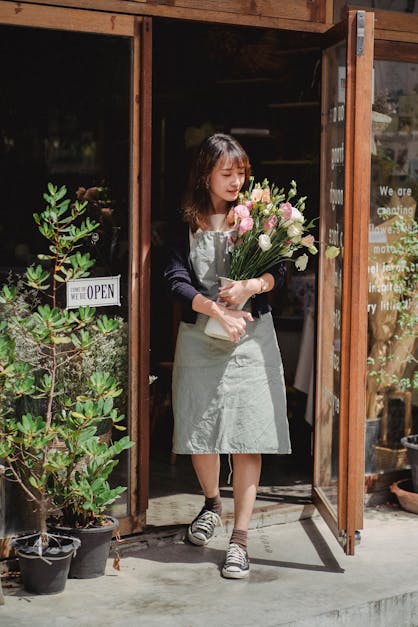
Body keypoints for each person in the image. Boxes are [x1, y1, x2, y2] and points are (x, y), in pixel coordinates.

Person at [164, 133, 291, 579]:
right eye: (227, 173)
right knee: (202, 427)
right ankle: (212, 504)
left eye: (241, 172)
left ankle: (240, 539)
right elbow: (175, 277)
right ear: (206, 174)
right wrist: (215, 305)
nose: (237, 181)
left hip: (252, 338)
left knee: (248, 432)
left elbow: (279, 269)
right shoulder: (186, 220)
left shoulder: (258, 216)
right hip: (201, 336)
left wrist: (249, 287)